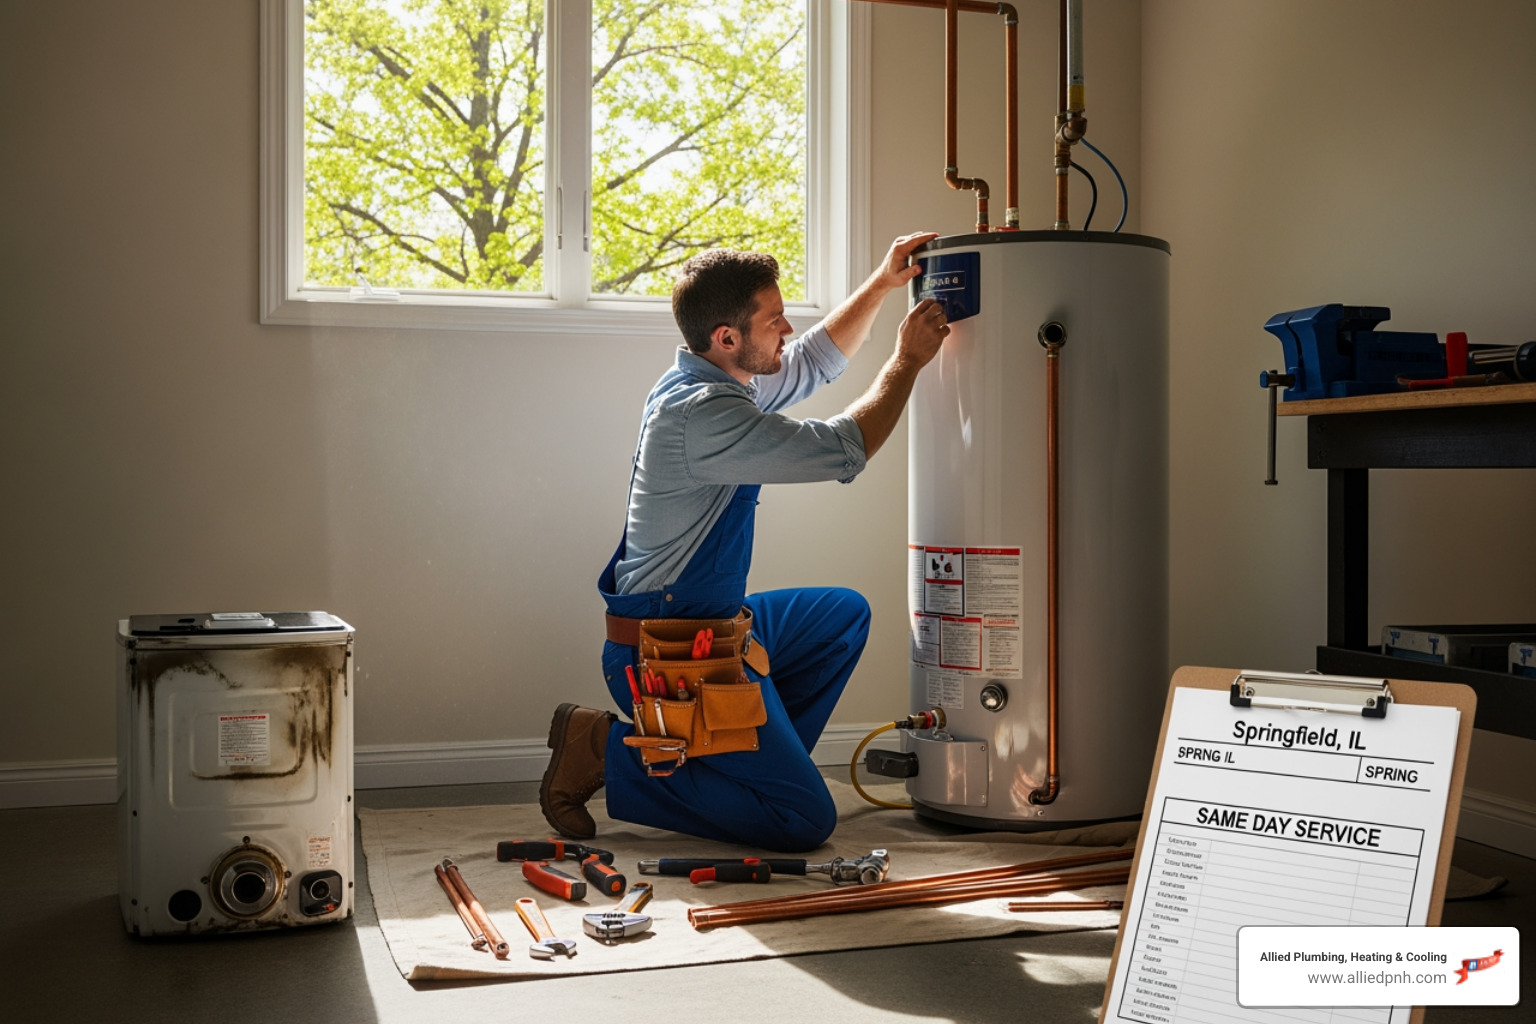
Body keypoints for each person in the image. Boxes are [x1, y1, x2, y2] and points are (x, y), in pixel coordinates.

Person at [539, 233, 950, 852]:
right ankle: (604, 749)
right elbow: (844, 448)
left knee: (842, 615)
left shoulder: (719, 379)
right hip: (665, 656)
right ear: (728, 337)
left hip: (708, 627)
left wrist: (884, 283)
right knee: (804, 821)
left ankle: (742, 762)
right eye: (773, 318)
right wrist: (908, 362)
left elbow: (813, 360)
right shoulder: (703, 414)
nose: (787, 327)